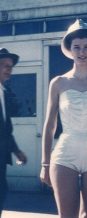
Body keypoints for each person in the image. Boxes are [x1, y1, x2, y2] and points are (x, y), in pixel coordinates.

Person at [40, 19, 87, 218]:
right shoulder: (58, 83)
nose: (82, 52)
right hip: (65, 154)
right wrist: (45, 164)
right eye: (77, 47)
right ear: (70, 50)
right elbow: (49, 126)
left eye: (86, 47)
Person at [0, 48, 27, 217]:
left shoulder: (4, 93)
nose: (8, 69)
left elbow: (5, 129)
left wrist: (17, 151)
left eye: (10, 66)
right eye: (3, 65)